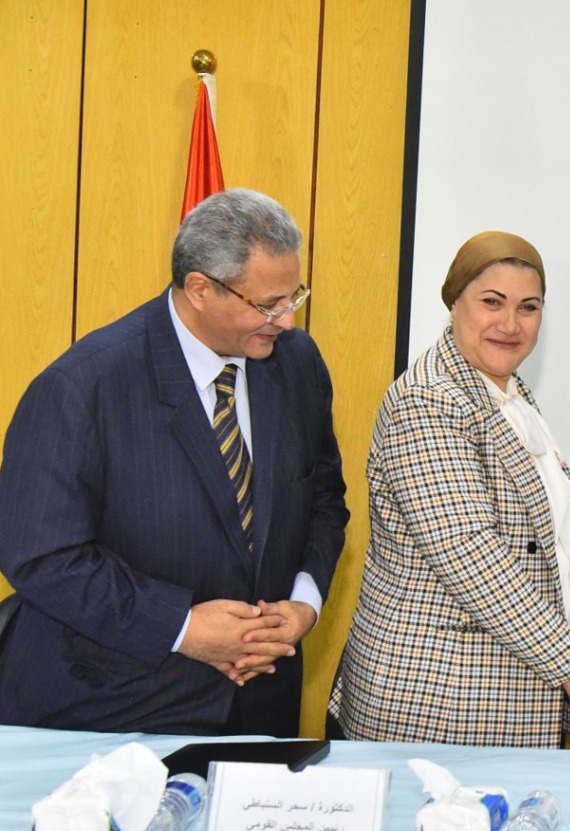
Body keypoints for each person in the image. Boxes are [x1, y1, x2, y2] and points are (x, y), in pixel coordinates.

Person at [0, 189, 348, 736]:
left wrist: (303, 603)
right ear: (200, 289)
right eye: (267, 305)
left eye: (293, 297)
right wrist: (182, 627)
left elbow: (324, 497)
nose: (284, 321)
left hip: (261, 705)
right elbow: (42, 556)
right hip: (115, 709)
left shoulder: (297, 363)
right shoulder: (82, 387)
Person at [329, 231, 570, 746]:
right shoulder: (430, 400)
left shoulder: (502, 389)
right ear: (455, 301)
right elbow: (469, 553)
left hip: (491, 699)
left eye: (528, 307)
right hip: (438, 705)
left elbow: (491, 509)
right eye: (492, 302)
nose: (510, 324)